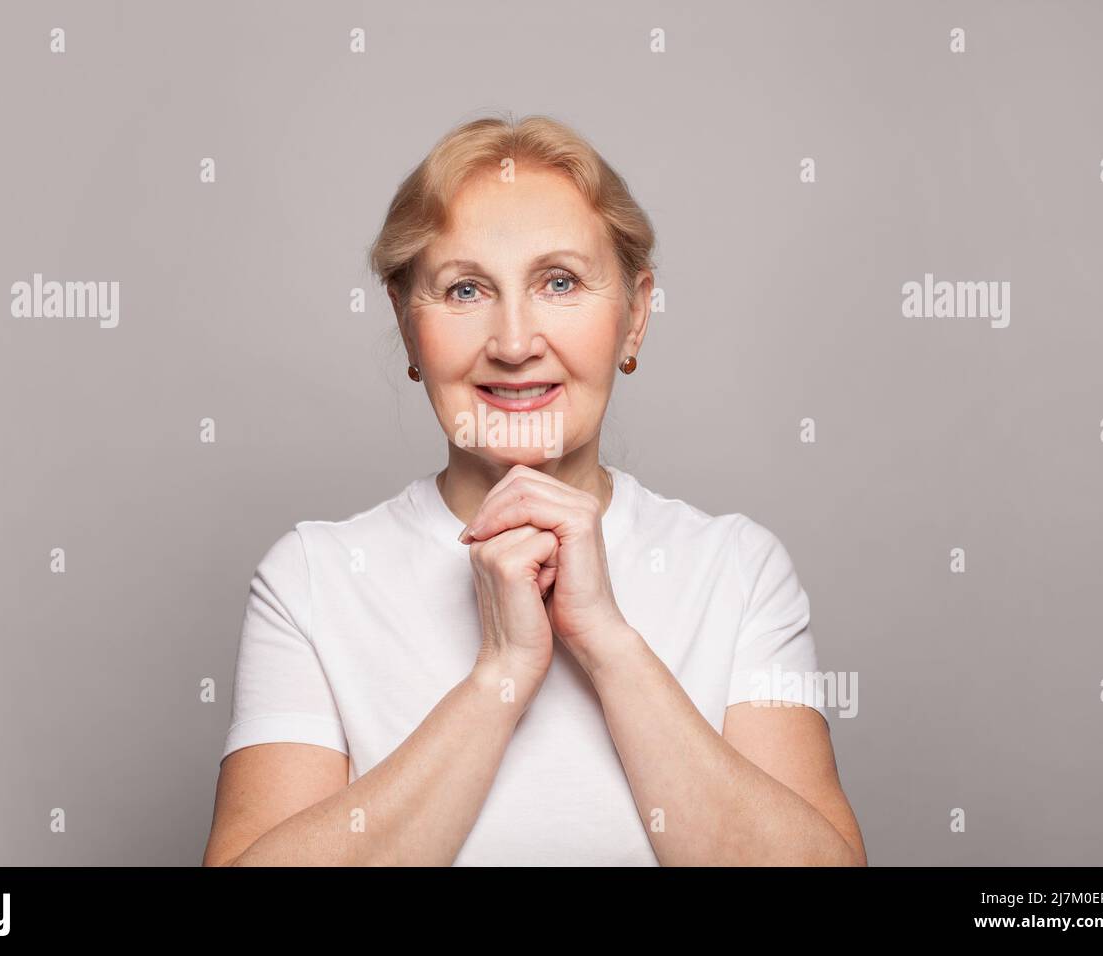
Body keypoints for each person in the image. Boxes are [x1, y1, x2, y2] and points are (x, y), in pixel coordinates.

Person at [203, 114, 867, 866]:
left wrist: (607, 642)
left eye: (560, 282)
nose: (515, 344)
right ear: (403, 320)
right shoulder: (312, 578)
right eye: (464, 290)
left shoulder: (738, 569)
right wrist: (502, 675)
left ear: (636, 315)